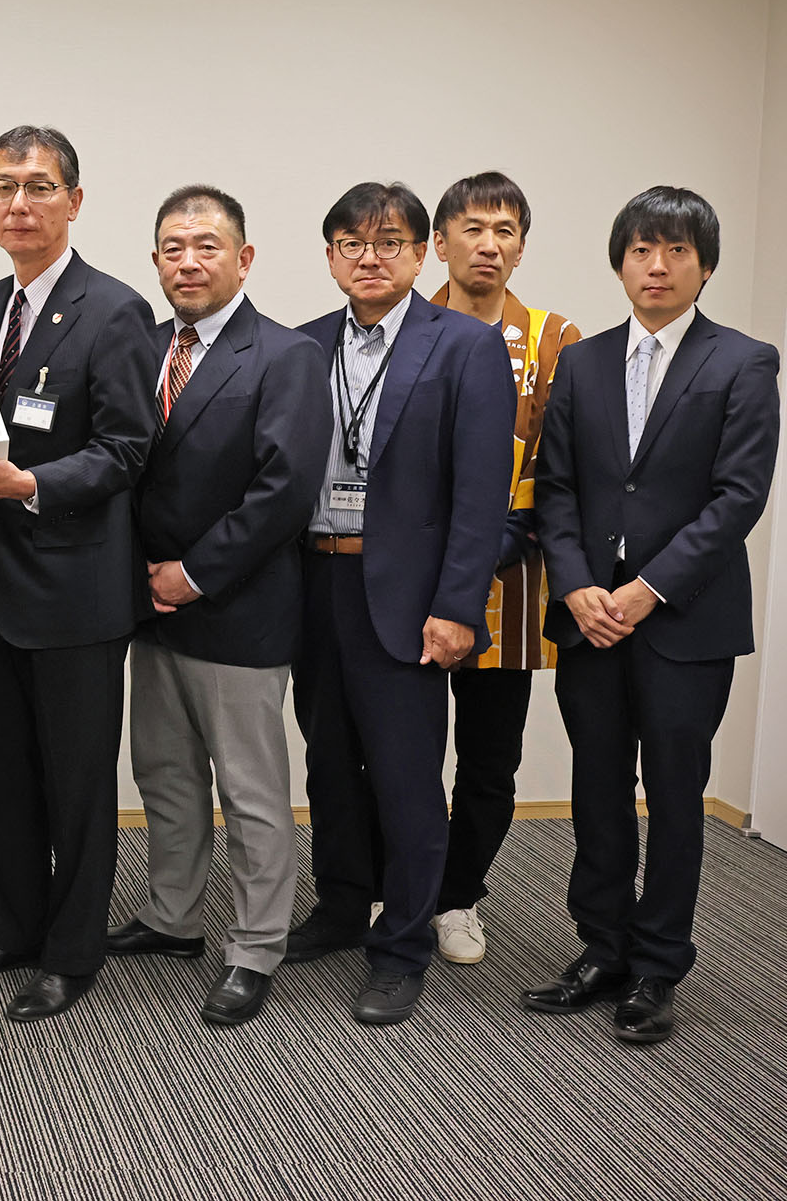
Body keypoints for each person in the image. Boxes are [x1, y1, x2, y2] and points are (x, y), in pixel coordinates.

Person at [525, 186, 779, 1044]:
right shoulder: (582, 362)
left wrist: (647, 589)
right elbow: (556, 487)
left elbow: (737, 498)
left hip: (684, 621)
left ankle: (659, 965)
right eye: (641, 249)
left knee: (674, 794)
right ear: (621, 262)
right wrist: (575, 585)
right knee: (597, 787)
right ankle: (602, 947)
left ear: (705, 266)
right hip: (590, 617)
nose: (657, 266)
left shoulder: (743, 362)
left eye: (676, 251)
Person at [0, 125, 160, 1023]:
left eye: (38, 186)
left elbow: (128, 449)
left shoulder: (116, 309)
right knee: (5, 773)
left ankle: (72, 953)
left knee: (77, 786)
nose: (19, 203)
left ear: (75, 200)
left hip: (75, 591)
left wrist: (29, 485)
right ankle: (13, 929)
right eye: (3, 186)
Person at [286, 181, 514, 1024]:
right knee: (328, 761)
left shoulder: (464, 346)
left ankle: (403, 944)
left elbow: (481, 496)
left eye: (389, 243)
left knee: (408, 775)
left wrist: (459, 605)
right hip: (316, 582)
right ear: (331, 256)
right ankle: (344, 904)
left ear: (421, 254)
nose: (370, 257)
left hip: (410, 597)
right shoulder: (303, 344)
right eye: (351, 243)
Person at [106, 186, 330, 1026]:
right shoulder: (144, 347)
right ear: (156, 261)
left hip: (236, 608)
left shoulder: (286, 354)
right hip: (151, 610)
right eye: (173, 247)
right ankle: (172, 917)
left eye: (207, 245)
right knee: (164, 775)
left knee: (249, 790)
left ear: (244, 257)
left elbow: (284, 490)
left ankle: (256, 945)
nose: (189, 261)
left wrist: (194, 573)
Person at [424, 172, 581, 965]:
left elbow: (568, 466)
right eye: (473, 228)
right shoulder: (403, 325)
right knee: (400, 750)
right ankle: (401, 881)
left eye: (505, 230)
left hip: (510, 584)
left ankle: (457, 896)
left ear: (521, 247)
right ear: (440, 242)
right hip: (411, 582)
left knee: (490, 760)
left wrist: (503, 536)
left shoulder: (555, 338)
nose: (488, 244)